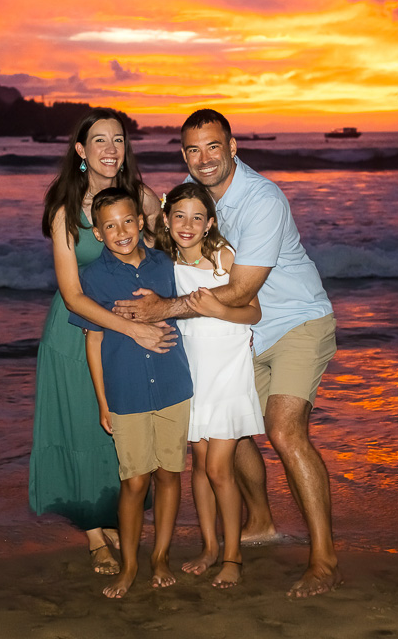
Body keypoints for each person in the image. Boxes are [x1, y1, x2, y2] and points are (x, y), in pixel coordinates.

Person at [113, 108, 340, 597]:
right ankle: (259, 521)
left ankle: (323, 557)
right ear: (183, 154)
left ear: (233, 147)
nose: (204, 158)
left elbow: (237, 293)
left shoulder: (262, 201)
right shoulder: (192, 198)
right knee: (230, 432)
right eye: (193, 150)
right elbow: (158, 219)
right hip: (241, 340)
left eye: (214, 146)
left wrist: (162, 310)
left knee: (283, 429)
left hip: (296, 321)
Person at [29, 108, 170, 576]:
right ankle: (95, 535)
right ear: (81, 151)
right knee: (83, 427)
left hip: (128, 333)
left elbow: (169, 242)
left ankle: (112, 516)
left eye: (119, 140)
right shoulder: (65, 210)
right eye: (100, 141)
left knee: (120, 428)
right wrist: (132, 327)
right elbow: (72, 293)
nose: (111, 150)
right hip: (76, 334)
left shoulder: (139, 196)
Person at [69, 187, 194, 599]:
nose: (121, 230)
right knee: (135, 482)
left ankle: (159, 557)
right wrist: (104, 404)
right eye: (110, 226)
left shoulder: (166, 264)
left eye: (127, 221)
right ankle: (130, 565)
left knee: (170, 474)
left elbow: (190, 305)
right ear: (98, 234)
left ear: (142, 222)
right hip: (126, 393)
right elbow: (93, 343)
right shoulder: (93, 278)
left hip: (174, 385)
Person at [154, 182, 264, 589]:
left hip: (227, 370)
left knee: (219, 468)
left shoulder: (223, 257)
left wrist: (217, 307)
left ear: (210, 223)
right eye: (179, 215)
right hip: (192, 371)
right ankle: (209, 546)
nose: (188, 224)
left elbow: (252, 312)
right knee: (198, 465)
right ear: (166, 219)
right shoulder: (164, 261)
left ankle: (233, 556)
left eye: (197, 217)